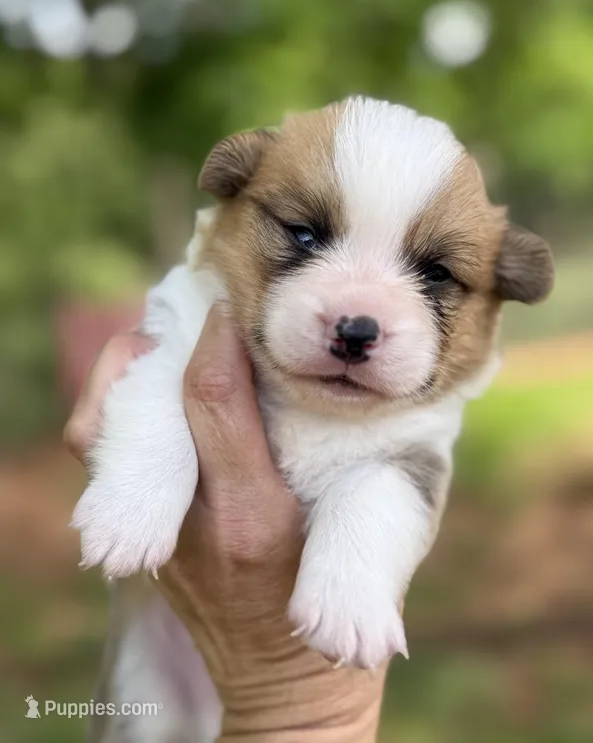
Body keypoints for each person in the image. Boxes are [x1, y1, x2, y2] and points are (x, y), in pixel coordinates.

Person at [64, 305, 388, 742]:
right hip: (159, 660)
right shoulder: (202, 302)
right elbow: (159, 367)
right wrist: (145, 477)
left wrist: (316, 711)